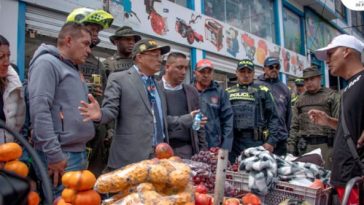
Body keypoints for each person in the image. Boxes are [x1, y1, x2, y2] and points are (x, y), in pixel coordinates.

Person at [79, 39, 199, 170]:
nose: (160, 60)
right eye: (155, 55)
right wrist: (99, 115)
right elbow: (111, 110)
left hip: (158, 158)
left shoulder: (158, 85)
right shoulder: (119, 78)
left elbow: (158, 119)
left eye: (161, 56)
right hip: (130, 159)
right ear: (139, 57)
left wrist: (188, 118)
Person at [28, 22, 94, 197]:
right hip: (60, 155)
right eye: (86, 44)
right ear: (69, 40)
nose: (89, 50)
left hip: (76, 152)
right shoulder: (46, 63)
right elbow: (39, 110)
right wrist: (54, 155)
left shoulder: (72, 68)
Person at [308, 34, 364, 204]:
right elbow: (353, 126)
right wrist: (328, 121)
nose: (327, 60)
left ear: (347, 51)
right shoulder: (347, 89)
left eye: (331, 54)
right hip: (345, 175)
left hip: (356, 177)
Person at [66, 7, 113, 176]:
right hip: (70, 137)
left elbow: (106, 97)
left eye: (97, 31)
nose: (96, 35)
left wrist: (108, 129)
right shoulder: (58, 62)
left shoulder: (97, 64)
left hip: (96, 132)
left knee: (94, 179)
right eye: (92, 30)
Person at [226, 59, 279, 162]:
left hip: (256, 142)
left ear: (254, 74)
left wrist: (271, 141)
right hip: (232, 143)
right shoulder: (227, 92)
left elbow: (274, 117)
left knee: (255, 175)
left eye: (249, 72)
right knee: (232, 175)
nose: (246, 75)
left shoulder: (263, 91)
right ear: (236, 73)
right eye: (242, 71)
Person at [287, 67, 339, 170]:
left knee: (327, 180)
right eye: (306, 80)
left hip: (327, 146)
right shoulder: (300, 100)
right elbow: (294, 126)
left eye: (312, 79)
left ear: (320, 79)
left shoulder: (332, 96)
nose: (309, 82)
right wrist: (291, 147)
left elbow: (339, 124)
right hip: (305, 147)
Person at [159, 52, 207, 159]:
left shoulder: (191, 91)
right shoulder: (155, 90)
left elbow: (198, 123)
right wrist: (187, 119)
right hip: (161, 151)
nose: (184, 72)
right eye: (179, 68)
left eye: (186, 68)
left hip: (187, 151)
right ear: (167, 67)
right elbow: (157, 121)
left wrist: (203, 149)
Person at [193, 59, 234, 151]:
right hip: (193, 144)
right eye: (202, 72)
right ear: (195, 73)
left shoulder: (220, 93)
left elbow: (228, 120)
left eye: (209, 72)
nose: (206, 75)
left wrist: (225, 147)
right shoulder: (188, 90)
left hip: (214, 145)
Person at [256, 57, 291, 156]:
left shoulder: (285, 89)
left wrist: (286, 134)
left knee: (280, 170)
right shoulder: (256, 85)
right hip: (261, 139)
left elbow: (289, 116)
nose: (274, 69)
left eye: (277, 67)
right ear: (264, 69)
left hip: (280, 139)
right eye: (271, 67)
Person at [0, 35, 25, 143]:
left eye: (8, 56)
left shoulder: (12, 84)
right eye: (1, 57)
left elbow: (18, 122)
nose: (7, 62)